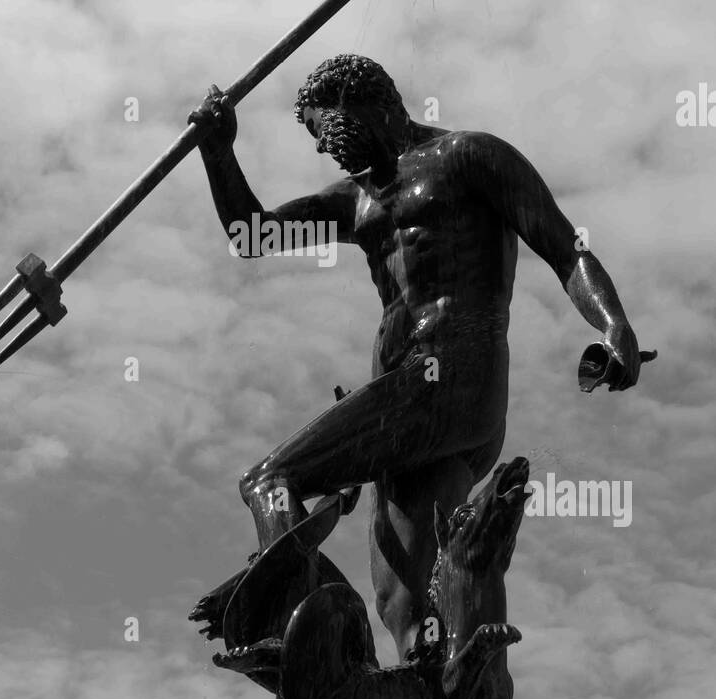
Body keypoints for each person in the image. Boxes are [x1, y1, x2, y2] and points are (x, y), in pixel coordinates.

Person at [189, 54, 642, 662]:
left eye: (323, 128)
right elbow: (252, 234)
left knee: (271, 479)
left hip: (456, 371)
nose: (324, 148)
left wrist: (614, 325)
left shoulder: (470, 156)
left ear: (355, 97)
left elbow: (566, 247)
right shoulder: (356, 201)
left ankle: (296, 644)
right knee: (404, 602)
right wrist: (219, 152)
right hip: (408, 399)